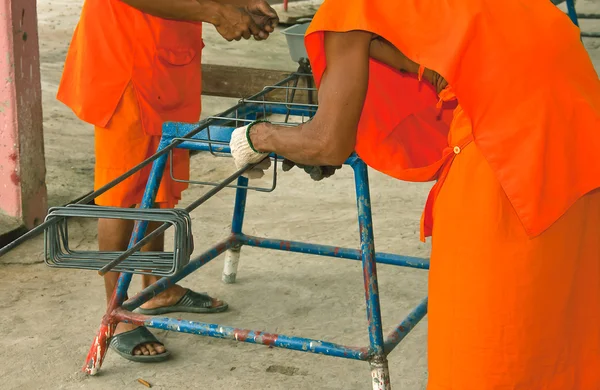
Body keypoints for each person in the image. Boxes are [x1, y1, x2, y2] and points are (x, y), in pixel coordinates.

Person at [229, 0, 600, 388]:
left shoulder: (348, 8)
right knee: (561, 333)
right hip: (580, 144)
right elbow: (438, 57)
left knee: (486, 348)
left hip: (509, 169)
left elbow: (327, 143)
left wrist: (258, 137)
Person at [57, 0, 278, 363]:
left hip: (167, 53)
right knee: (121, 194)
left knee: (159, 178)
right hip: (125, 56)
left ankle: (155, 288)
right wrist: (218, 13)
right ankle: (118, 313)